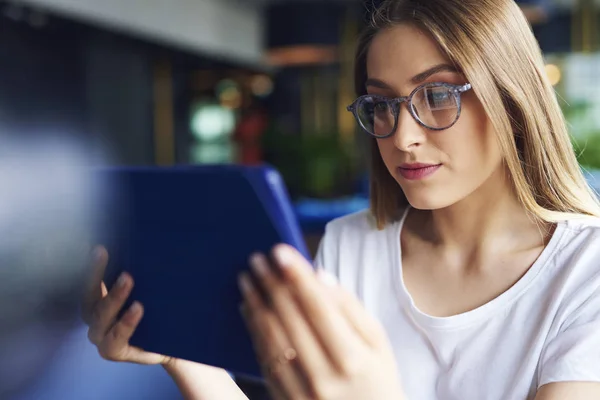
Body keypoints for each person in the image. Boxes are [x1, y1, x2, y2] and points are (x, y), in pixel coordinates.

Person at [83, 0, 600, 399]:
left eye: (437, 96)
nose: (401, 137)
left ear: (511, 99)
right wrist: (182, 356)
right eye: (380, 105)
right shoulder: (352, 246)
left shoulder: (587, 270)